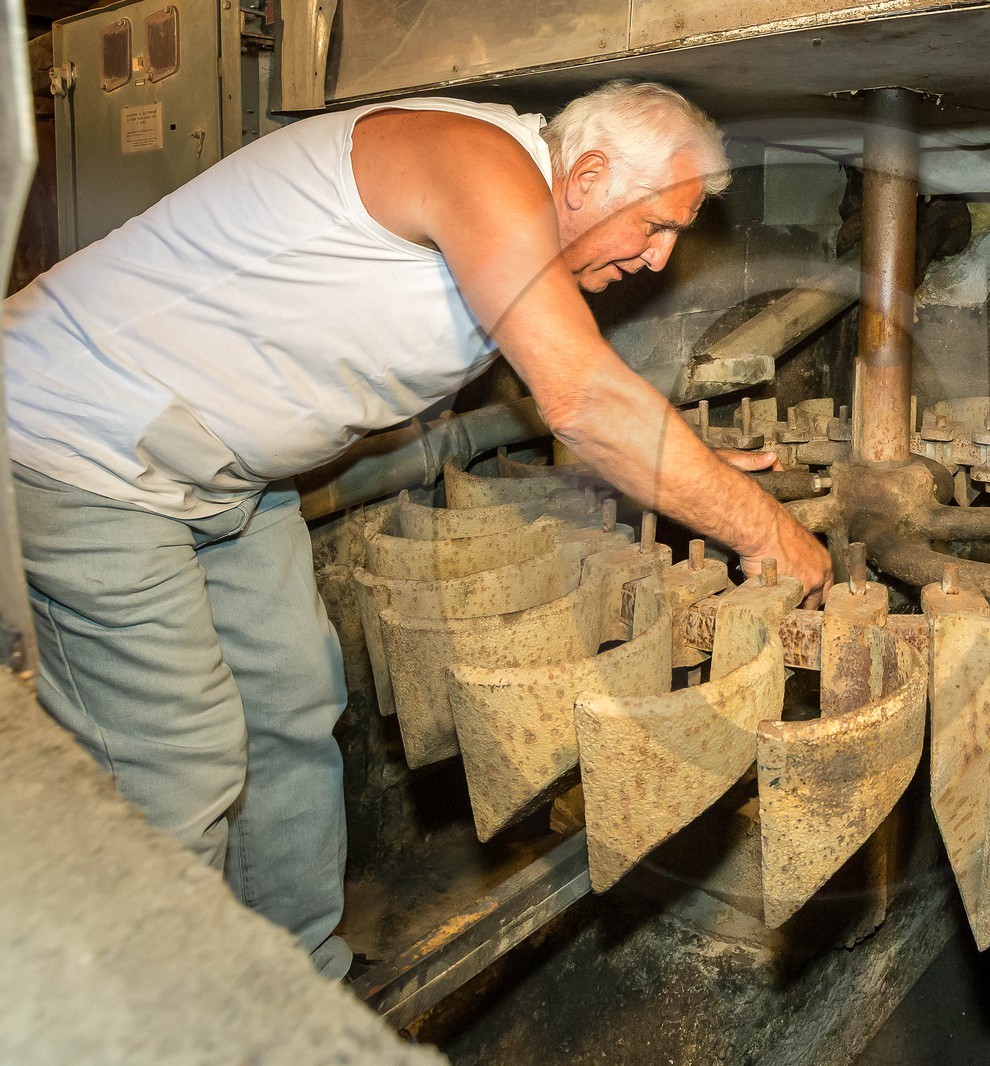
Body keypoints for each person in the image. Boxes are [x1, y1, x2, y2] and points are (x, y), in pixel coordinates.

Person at [2, 80, 833, 979]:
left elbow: (569, 384)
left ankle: (293, 985)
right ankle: (153, 1018)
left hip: (221, 474)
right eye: (655, 226)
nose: (661, 260)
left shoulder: (512, 215)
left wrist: (694, 471)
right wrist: (762, 528)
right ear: (588, 176)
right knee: (176, 760)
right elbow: (581, 397)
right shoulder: (474, 162)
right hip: (77, 444)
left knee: (292, 703)